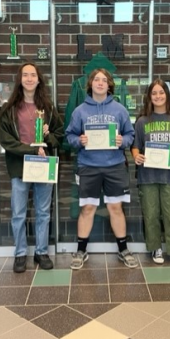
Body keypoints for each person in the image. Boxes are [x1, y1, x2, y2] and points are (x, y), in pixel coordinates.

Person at [65, 68, 137, 270]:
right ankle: (81, 250)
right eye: (96, 79)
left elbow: (130, 136)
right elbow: (69, 136)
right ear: (91, 84)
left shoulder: (120, 110)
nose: (100, 83)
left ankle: (123, 249)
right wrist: (79, 140)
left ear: (109, 85)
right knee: (88, 208)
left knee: (116, 208)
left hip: (114, 166)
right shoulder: (80, 111)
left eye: (104, 80)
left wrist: (123, 141)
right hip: (88, 166)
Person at [0, 62, 64, 273]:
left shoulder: (48, 108)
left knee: (43, 211)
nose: (28, 78)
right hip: (19, 167)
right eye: (25, 75)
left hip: (44, 165)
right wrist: (30, 150)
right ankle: (20, 253)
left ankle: (41, 252)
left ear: (38, 79)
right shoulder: (9, 109)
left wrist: (47, 135)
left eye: (32, 75)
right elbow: (6, 141)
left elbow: (59, 137)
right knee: (19, 212)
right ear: (20, 79)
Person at [131, 79, 170, 267]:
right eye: (154, 93)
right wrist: (136, 156)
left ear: (167, 95)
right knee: (151, 214)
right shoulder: (142, 121)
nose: (158, 96)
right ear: (149, 96)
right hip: (147, 176)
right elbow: (135, 146)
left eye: (161, 92)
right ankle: (155, 247)